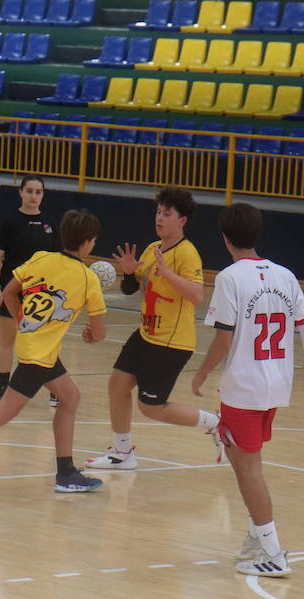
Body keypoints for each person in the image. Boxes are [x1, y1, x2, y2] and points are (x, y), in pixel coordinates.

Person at [190, 203, 304, 577]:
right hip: (275, 386)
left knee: (248, 469)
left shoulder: (230, 278)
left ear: (224, 237)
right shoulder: (285, 275)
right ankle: (256, 534)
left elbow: (223, 338)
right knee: (243, 461)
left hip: (244, 387)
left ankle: (273, 551)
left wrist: (201, 372)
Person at [0, 209, 107, 495]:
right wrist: (90, 334)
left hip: (37, 347)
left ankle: (66, 472)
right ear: (88, 243)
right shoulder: (88, 279)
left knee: (70, 397)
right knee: (6, 411)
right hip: (39, 355)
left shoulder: (40, 258)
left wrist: (24, 321)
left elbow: (10, 292)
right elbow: (98, 334)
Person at [88, 186, 222, 471]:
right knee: (117, 385)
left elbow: (197, 296)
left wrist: (170, 274)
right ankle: (122, 453)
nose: (160, 218)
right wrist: (128, 272)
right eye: (158, 212)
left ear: (182, 220)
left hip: (171, 342)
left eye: (167, 214)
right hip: (146, 333)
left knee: (151, 407)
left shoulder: (187, 254)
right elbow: (131, 289)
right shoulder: (152, 249)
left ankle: (216, 423)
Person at [0, 175, 60, 404]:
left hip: (41, 294)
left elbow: (59, 260)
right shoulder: (9, 222)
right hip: (11, 289)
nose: (33, 195)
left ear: (43, 194)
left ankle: (56, 388)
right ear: (21, 192)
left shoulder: (50, 223)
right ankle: (3, 387)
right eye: (29, 191)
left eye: (38, 191)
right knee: (7, 339)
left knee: (44, 342)